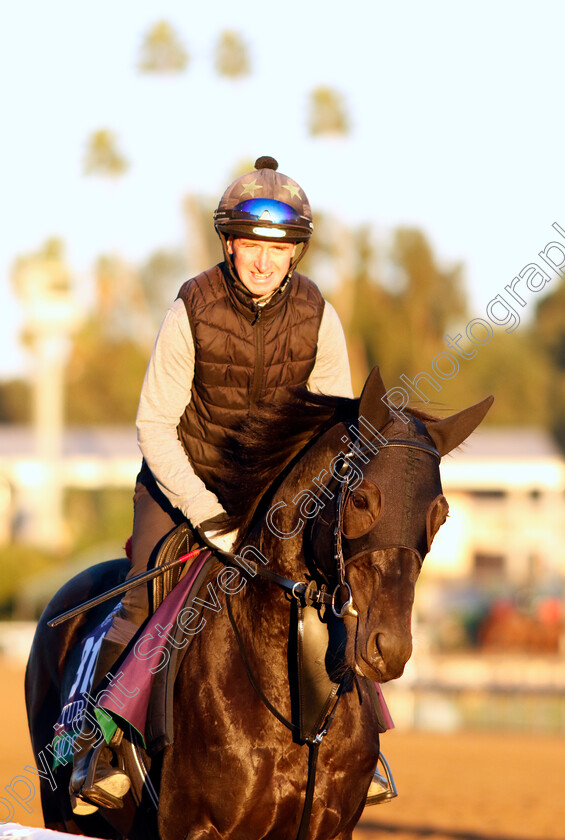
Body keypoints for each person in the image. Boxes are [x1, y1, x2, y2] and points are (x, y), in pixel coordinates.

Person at [69, 156, 390, 814]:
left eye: (278, 249)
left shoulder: (319, 315)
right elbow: (154, 425)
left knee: (331, 593)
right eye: (252, 247)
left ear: (294, 252)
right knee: (147, 597)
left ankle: (366, 746)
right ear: (229, 245)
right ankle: (93, 750)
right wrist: (212, 520)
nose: (264, 262)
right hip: (181, 483)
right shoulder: (191, 305)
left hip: (274, 501)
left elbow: (329, 433)